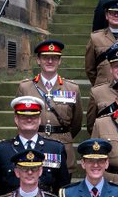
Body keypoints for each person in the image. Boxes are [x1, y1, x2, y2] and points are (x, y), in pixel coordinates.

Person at [18, 39, 90, 172]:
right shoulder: (26, 87)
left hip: (62, 147)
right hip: (34, 148)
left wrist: (62, 135)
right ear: (38, 60)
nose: (50, 61)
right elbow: (20, 119)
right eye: (45, 57)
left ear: (59, 61)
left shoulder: (72, 88)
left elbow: (77, 122)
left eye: (54, 58)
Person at [0, 96, 71, 197]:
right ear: (16, 119)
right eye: (24, 116)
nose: (29, 119)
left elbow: (63, 186)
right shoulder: (1, 150)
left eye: (34, 116)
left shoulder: (55, 149)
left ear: (39, 120)